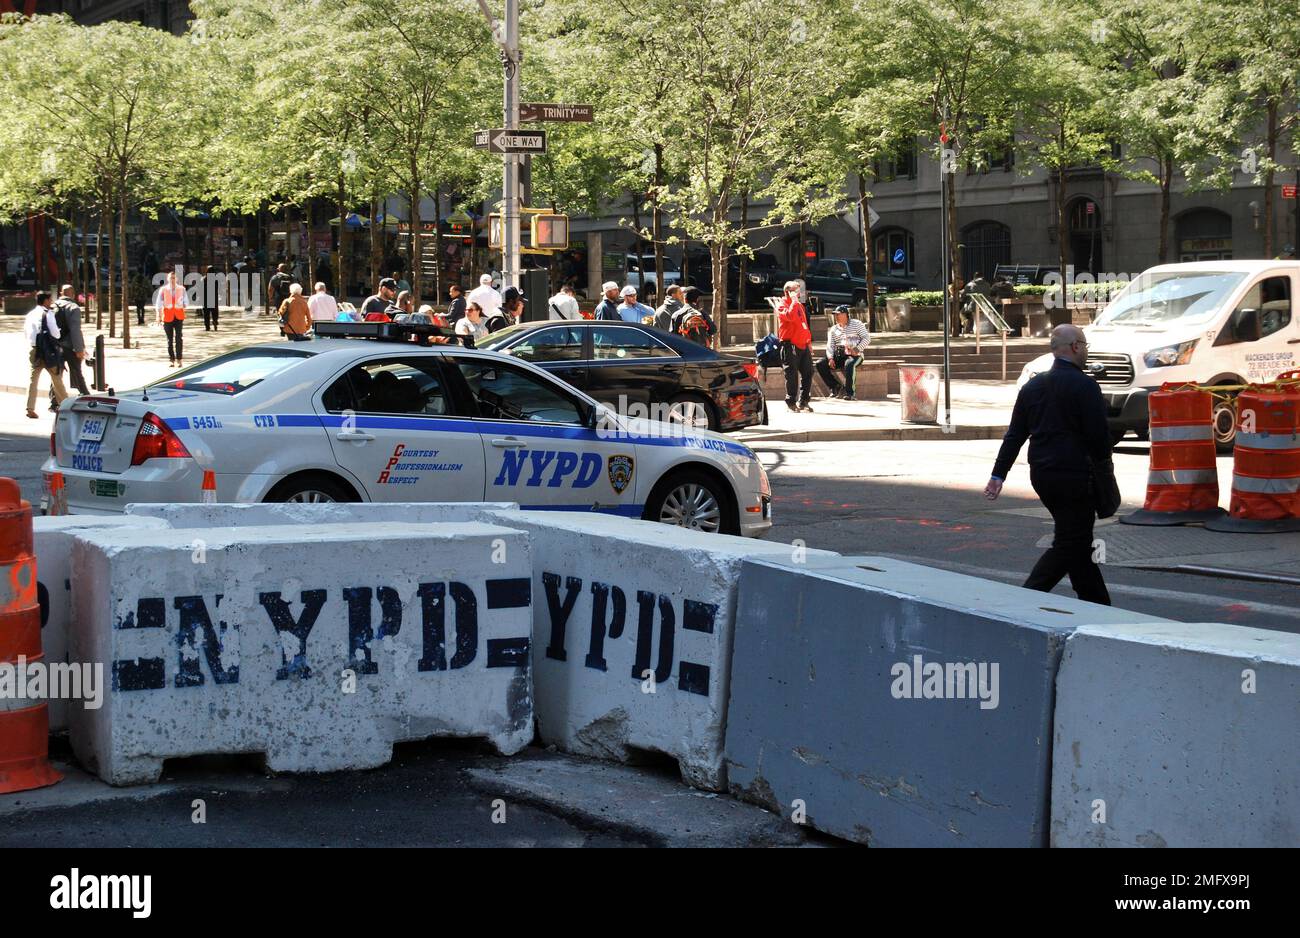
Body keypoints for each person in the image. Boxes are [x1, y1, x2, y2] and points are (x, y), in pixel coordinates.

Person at [984, 324, 1112, 605]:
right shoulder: (1086, 386)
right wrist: (1103, 465)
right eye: (1085, 346)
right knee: (1069, 541)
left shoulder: (1033, 385)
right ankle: (1026, 600)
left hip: (1042, 475)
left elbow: (1015, 434)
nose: (1087, 351)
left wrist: (998, 474)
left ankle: (1096, 603)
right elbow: (1099, 438)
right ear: (1076, 347)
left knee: (1077, 538)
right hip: (1075, 476)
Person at [26, 292, 68, 419]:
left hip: (34, 349)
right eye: (50, 300)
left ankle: (30, 408)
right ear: (45, 301)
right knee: (56, 378)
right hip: (48, 351)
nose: (51, 302)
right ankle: (65, 405)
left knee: (33, 380)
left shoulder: (30, 314)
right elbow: (56, 334)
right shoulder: (48, 314)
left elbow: (26, 333)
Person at [816, 305, 870, 400]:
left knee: (849, 364)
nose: (836, 317)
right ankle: (835, 386)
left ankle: (850, 393)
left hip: (855, 355)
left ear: (845, 315)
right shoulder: (833, 329)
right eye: (835, 315)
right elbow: (830, 345)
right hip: (838, 355)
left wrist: (856, 349)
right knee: (820, 364)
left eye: (838, 314)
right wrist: (830, 358)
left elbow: (867, 338)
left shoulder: (857, 324)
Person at [777, 280, 814, 412]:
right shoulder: (781, 305)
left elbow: (804, 325)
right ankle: (791, 402)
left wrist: (808, 342)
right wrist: (793, 302)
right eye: (796, 291)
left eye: (799, 290)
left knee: (808, 372)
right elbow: (790, 317)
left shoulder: (800, 306)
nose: (799, 294)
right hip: (790, 345)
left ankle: (804, 401)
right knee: (792, 374)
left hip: (803, 344)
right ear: (788, 292)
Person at [53, 285, 88, 396]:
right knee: (76, 371)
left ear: (61, 293)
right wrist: (79, 349)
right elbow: (75, 330)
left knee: (57, 374)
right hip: (69, 345)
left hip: (55, 345)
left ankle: (54, 400)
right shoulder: (73, 307)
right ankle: (85, 394)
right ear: (73, 294)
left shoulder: (52, 306)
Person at [155, 270, 188, 366]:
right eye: (171, 278)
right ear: (168, 279)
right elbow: (158, 304)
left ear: (176, 279)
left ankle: (179, 359)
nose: (172, 279)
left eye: (174, 278)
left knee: (179, 338)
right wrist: (158, 315)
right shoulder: (163, 290)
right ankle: (171, 360)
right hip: (167, 317)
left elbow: (186, 302)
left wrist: (182, 304)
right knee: (169, 340)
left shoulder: (182, 289)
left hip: (178, 316)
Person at [201, 265, 221, 331]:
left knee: (206, 314)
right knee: (214, 312)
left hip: (205, 298)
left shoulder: (204, 279)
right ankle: (215, 322)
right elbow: (218, 288)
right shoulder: (216, 279)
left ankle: (207, 327)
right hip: (213, 298)